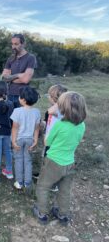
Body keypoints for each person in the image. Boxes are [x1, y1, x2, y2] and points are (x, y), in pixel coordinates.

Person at [33, 91, 87, 225]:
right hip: (69, 162)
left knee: (43, 186)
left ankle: (42, 212)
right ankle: (63, 215)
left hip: (53, 162)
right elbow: (77, 140)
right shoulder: (82, 125)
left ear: (63, 108)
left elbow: (47, 142)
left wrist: (46, 132)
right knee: (64, 190)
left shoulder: (60, 125)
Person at [10, 86, 41, 189]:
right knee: (28, 161)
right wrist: (35, 140)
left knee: (18, 160)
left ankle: (19, 182)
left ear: (23, 99)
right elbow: (37, 128)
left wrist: (13, 141)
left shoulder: (17, 111)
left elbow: (14, 128)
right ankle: (28, 183)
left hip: (18, 139)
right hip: (30, 140)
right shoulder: (37, 112)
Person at [2, 33, 37, 108]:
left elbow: (26, 79)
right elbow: (4, 78)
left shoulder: (30, 58)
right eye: (12, 44)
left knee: (21, 119)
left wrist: (11, 78)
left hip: (23, 97)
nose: (13, 47)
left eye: (16, 44)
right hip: (10, 94)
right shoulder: (10, 58)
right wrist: (18, 75)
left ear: (23, 44)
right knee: (10, 119)